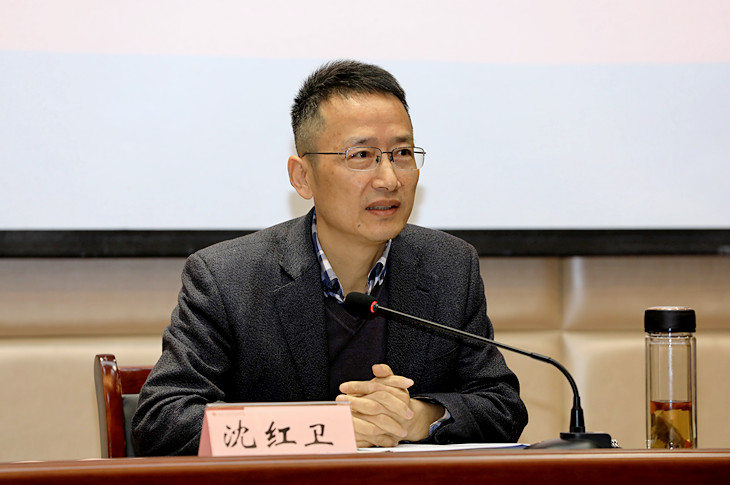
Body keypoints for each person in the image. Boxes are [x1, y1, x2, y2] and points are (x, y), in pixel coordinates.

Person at [132, 60, 528, 455]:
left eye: (402, 153)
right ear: (303, 176)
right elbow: (162, 421)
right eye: (361, 155)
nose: (389, 179)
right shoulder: (227, 278)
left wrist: (417, 417)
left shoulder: (449, 266)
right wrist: (326, 429)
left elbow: (502, 407)